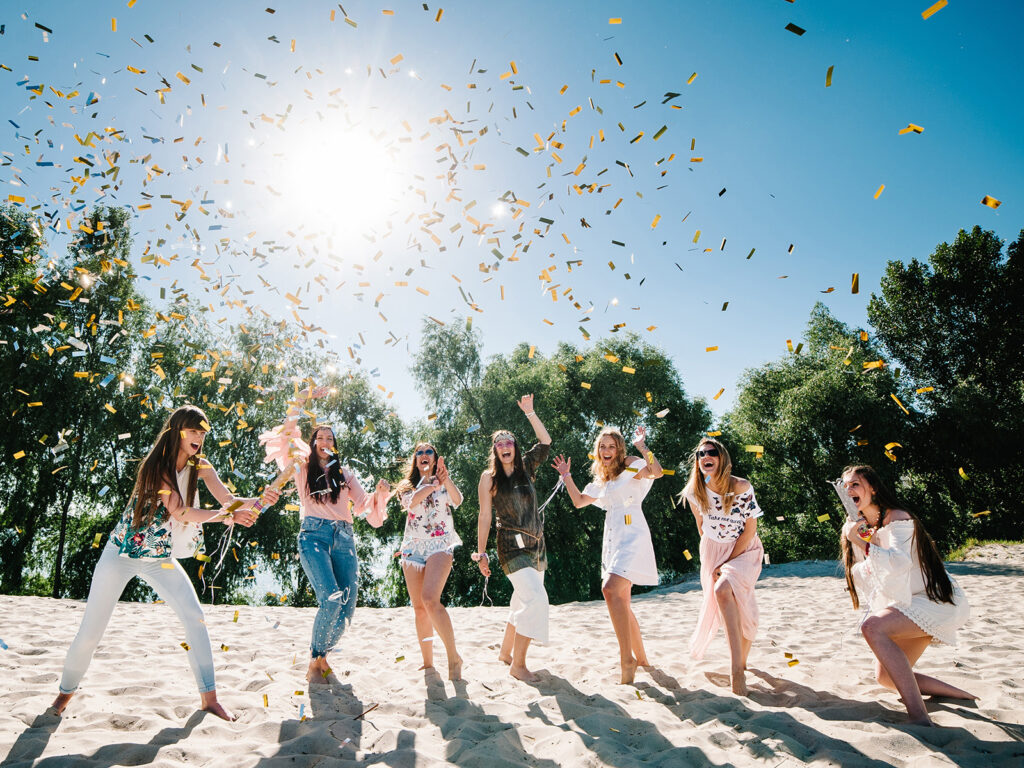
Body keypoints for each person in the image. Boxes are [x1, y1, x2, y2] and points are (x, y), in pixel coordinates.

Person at [51, 405, 277, 721]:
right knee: (91, 631)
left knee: (195, 617)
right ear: (177, 432)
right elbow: (180, 511)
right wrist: (227, 515)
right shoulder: (156, 467)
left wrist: (258, 501)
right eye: (193, 431)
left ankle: (209, 699)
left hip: (160, 559)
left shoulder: (202, 465)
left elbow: (229, 501)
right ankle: (64, 693)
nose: (199, 437)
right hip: (121, 555)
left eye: (202, 432)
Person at [262, 385, 391, 684]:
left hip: (344, 539)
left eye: (329, 438)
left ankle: (322, 659)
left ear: (334, 446)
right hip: (313, 537)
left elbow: (364, 507)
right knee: (331, 599)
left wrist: (380, 495)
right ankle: (314, 659)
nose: (324, 441)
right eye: (319, 437)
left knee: (347, 608)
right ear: (312, 443)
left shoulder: (345, 476)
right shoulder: (302, 468)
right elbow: (287, 432)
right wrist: (301, 398)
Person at [839, 464, 975, 725]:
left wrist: (861, 542)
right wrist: (856, 536)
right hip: (909, 603)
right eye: (845, 486)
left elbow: (899, 563)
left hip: (935, 601)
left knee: (872, 627)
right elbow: (871, 569)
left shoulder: (898, 517)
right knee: (885, 678)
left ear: (874, 488)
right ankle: (960, 695)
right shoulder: (866, 525)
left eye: (855, 483)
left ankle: (919, 718)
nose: (849, 489)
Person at [552, 425, 663, 684]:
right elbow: (579, 501)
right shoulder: (601, 481)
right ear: (597, 451)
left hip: (633, 535)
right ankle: (642, 658)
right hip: (613, 539)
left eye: (611, 446)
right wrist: (566, 476)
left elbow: (656, 471)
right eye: (602, 446)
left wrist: (643, 447)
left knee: (610, 590)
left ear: (620, 449)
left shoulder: (632, 465)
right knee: (621, 599)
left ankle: (627, 659)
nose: (606, 450)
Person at [475, 394, 552, 682]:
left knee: (522, 600)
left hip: (537, 543)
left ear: (515, 448)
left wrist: (530, 413)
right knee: (535, 599)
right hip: (510, 545)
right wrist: (481, 553)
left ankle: (505, 653)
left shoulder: (527, 466)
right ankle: (518, 665)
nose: (505, 445)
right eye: (499, 442)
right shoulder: (489, 478)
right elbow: (484, 516)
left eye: (509, 441)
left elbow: (545, 442)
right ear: (494, 449)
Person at [682, 437, 763, 695]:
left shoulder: (741, 487)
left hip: (744, 548)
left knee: (725, 591)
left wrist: (728, 561)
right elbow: (701, 526)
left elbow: (750, 529)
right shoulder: (694, 490)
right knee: (732, 602)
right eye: (700, 453)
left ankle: (736, 671)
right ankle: (741, 662)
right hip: (712, 550)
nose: (705, 456)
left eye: (711, 452)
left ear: (722, 457)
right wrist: (713, 558)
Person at [395, 442, 464, 680]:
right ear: (415, 460)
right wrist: (430, 483)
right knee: (419, 609)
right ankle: (427, 662)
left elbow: (458, 500)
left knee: (430, 599)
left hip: (440, 545)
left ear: (435, 458)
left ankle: (454, 657)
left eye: (429, 452)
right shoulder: (407, 485)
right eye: (419, 452)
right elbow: (410, 502)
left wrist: (446, 480)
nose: (424, 455)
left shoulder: (442, 482)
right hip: (412, 548)